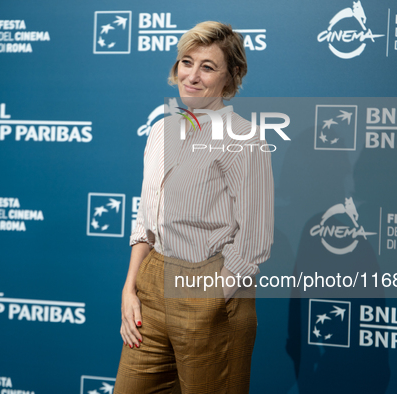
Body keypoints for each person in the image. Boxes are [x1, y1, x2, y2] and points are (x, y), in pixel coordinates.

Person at [115, 21, 274, 394]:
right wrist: (130, 288)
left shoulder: (245, 138)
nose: (193, 75)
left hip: (211, 289)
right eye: (187, 62)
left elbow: (254, 239)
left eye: (208, 67)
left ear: (231, 76)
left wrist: (210, 299)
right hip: (151, 286)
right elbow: (145, 221)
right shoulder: (161, 132)